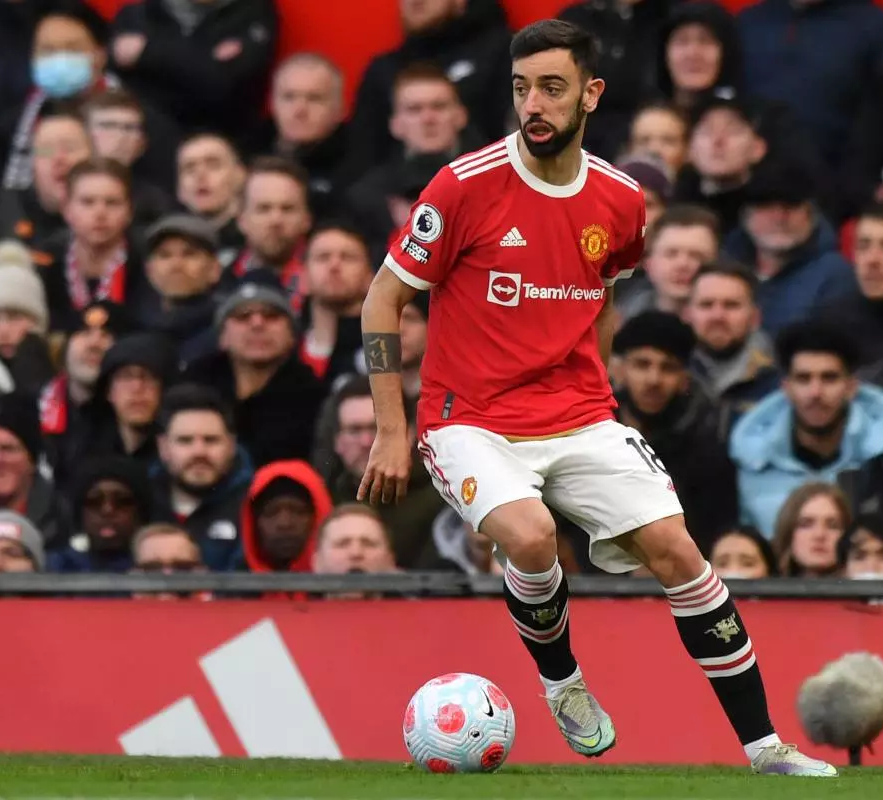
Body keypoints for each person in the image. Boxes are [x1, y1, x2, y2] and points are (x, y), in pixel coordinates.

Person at [356, 19, 835, 777]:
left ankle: (765, 748)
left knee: (681, 552)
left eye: (551, 87)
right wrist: (390, 430)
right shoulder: (465, 184)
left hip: (578, 414)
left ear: (591, 93)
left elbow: (601, 303)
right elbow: (383, 301)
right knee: (533, 536)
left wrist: (598, 398)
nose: (534, 105)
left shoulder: (620, 201)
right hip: (468, 419)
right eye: (521, 89)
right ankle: (563, 681)